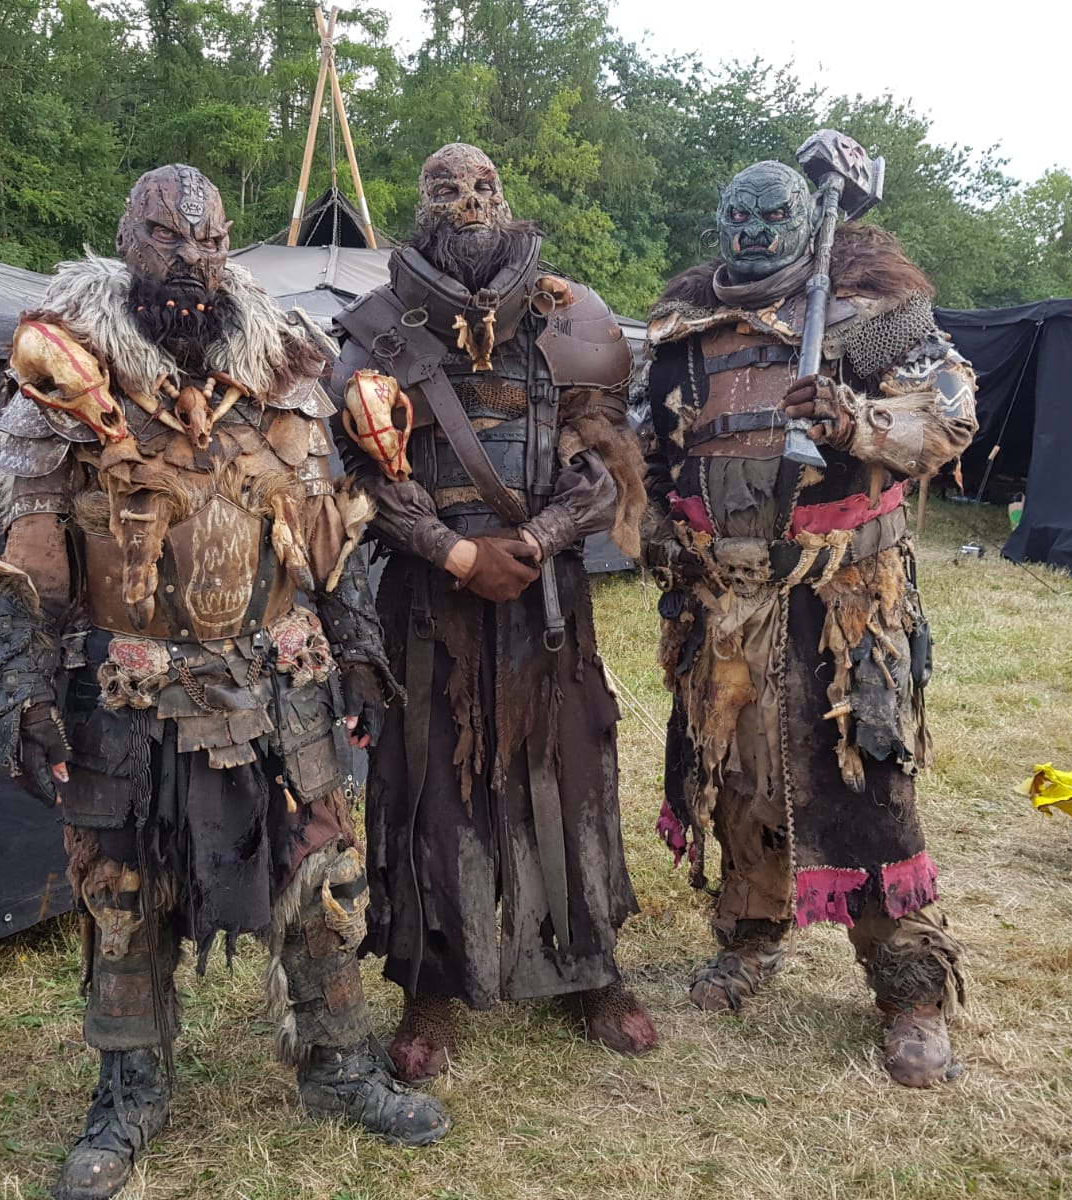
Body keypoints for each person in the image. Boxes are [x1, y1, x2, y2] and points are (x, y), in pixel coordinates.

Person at [0, 164, 447, 1200]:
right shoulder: (59, 373)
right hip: (129, 692)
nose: (192, 258)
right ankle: (129, 1093)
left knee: (321, 879)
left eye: (210, 240)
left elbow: (328, 532)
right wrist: (23, 691)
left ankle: (340, 1066)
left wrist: (357, 649)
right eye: (169, 239)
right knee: (123, 895)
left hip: (280, 679)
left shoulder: (287, 364)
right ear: (127, 237)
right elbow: (31, 559)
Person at [641, 158, 976, 1086]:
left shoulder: (874, 320)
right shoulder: (681, 329)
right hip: (724, 603)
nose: (752, 234)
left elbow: (947, 420)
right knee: (736, 776)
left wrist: (853, 419)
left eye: (771, 217)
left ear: (803, 221)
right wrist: (654, 527)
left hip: (842, 602)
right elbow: (642, 450)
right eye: (737, 217)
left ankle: (909, 988)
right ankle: (751, 935)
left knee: (864, 783)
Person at [327, 143, 657, 1083]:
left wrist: (539, 541)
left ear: (505, 199)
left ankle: (589, 967)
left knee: (570, 771)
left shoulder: (570, 317)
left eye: (483, 188)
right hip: (429, 610)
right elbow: (351, 477)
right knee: (431, 787)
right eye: (446, 190)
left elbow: (606, 467)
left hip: (547, 604)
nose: (468, 203)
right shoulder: (375, 332)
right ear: (420, 205)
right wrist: (454, 552)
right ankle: (433, 982)